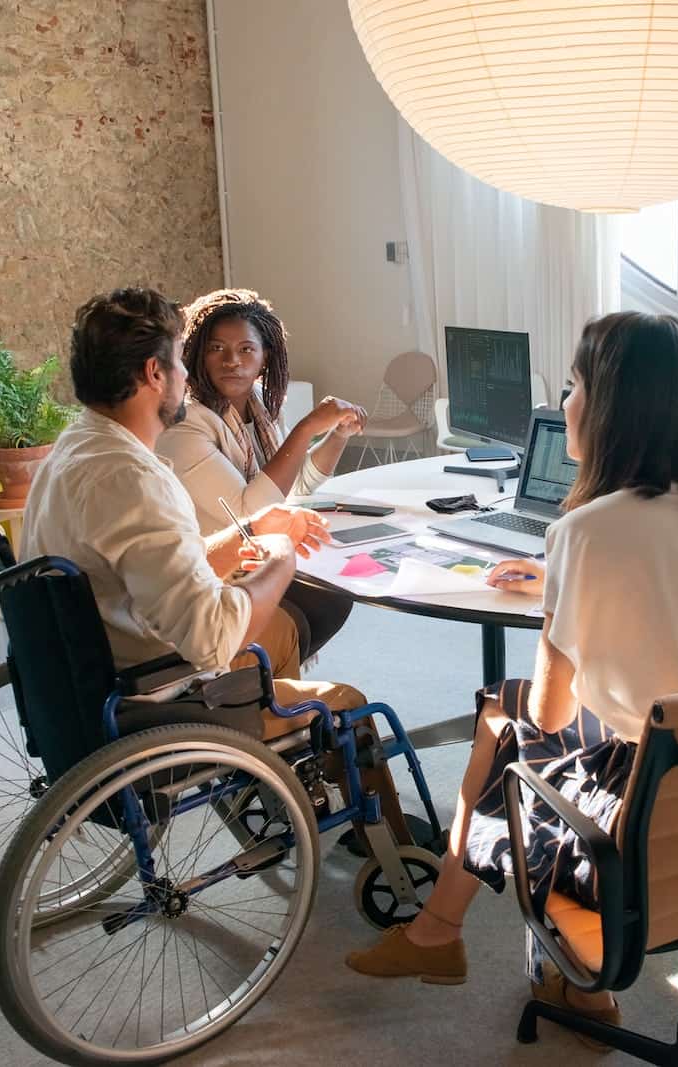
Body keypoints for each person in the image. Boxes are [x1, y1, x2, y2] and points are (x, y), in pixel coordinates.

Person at [344, 311, 678, 1043]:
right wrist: (573, 586)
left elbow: (552, 713)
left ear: (615, 407)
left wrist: (568, 591)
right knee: (513, 714)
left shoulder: (588, 532)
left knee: (507, 717)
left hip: (653, 795)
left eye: (574, 385)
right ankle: (471, 943)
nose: (563, 404)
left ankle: (445, 933)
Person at [21, 286, 411, 837]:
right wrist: (276, 556)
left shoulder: (78, 447)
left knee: (294, 620)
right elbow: (210, 637)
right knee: (350, 703)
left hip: (91, 671)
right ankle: (394, 859)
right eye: (184, 359)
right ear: (156, 373)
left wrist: (249, 530)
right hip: (162, 693)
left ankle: (289, 788)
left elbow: (158, 563)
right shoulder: (137, 478)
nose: (189, 375)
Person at [157, 288, 364, 665]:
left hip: (253, 559)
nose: (232, 361)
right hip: (213, 577)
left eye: (246, 350)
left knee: (335, 584)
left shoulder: (259, 409)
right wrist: (307, 428)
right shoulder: (186, 425)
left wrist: (337, 435)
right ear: (197, 353)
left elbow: (294, 485)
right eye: (217, 348)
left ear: (265, 357)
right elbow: (252, 509)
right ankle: (258, 683)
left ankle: (270, 682)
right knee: (318, 594)